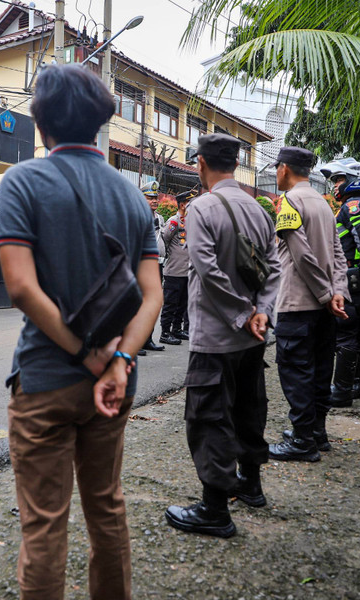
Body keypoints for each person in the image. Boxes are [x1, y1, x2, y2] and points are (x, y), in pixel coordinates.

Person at [0, 63, 163, 600]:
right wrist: (119, 362)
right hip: (115, 383)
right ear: (100, 122)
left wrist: (83, 353)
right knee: (107, 507)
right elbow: (153, 295)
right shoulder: (133, 198)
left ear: (40, 123)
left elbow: (22, 288)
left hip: (46, 377)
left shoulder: (23, 181)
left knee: (44, 524)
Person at [163, 133, 282, 538]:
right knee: (249, 407)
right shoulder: (259, 210)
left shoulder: (202, 207)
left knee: (209, 416)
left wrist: (241, 314)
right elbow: (274, 268)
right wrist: (261, 312)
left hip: (216, 334)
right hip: (253, 336)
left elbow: (206, 268)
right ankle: (251, 484)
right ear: (235, 164)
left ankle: (214, 508)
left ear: (200, 163)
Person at [267, 147, 349, 462]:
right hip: (326, 309)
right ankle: (317, 432)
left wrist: (327, 294)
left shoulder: (290, 201)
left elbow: (301, 255)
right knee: (319, 370)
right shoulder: (324, 204)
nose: (276, 173)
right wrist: (337, 291)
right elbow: (338, 253)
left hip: (298, 304)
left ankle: (302, 440)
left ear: (285, 169)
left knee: (296, 372)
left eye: (277, 167)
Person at [319, 158, 360, 409]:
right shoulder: (358, 204)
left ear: (355, 180)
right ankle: (353, 384)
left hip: (351, 277)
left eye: (339, 179)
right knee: (358, 332)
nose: (335, 185)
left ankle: (342, 390)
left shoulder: (353, 204)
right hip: (359, 277)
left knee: (345, 332)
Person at [158, 189, 198, 345]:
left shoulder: (191, 222)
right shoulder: (174, 222)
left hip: (187, 272)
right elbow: (164, 240)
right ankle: (165, 332)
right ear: (182, 205)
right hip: (174, 271)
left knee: (182, 304)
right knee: (170, 304)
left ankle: (177, 329)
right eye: (190, 203)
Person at [140, 181, 166, 354]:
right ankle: (137, 341)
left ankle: (148, 339)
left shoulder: (160, 218)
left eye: (155, 198)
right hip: (141, 265)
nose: (154, 201)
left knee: (153, 303)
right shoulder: (138, 216)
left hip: (158, 264)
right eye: (150, 198)